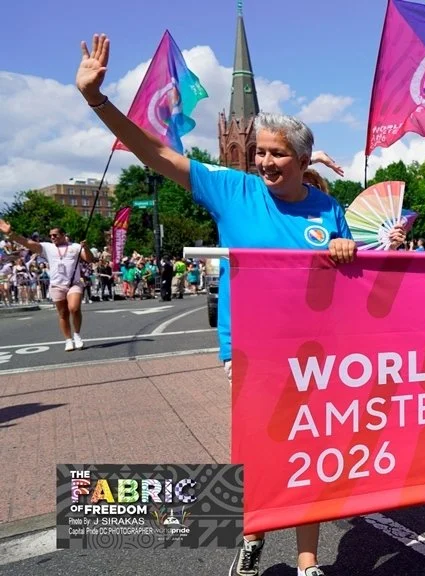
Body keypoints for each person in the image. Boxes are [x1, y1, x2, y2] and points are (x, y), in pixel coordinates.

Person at [75, 33, 386, 576]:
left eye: (277, 153)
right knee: (262, 450)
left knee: (310, 450)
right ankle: (253, 530)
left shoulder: (328, 207)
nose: (264, 160)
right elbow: (155, 152)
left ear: (303, 158)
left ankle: (308, 560)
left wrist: (347, 246)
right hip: (249, 349)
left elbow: (349, 282)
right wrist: (97, 100)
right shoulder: (230, 190)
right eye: (260, 150)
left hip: (316, 352)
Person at [0, 222, 95, 350]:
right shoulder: (47, 247)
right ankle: (68, 339)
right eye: (51, 236)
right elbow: (27, 243)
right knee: (63, 314)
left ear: (63, 235)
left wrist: (86, 248)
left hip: (74, 283)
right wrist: (11, 234)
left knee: (74, 308)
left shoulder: (76, 247)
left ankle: (77, 335)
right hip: (56, 285)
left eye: (55, 235)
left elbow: (90, 259)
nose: (52, 237)